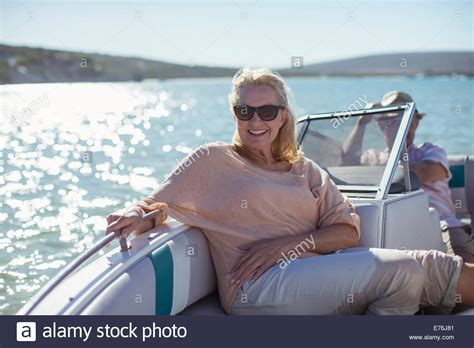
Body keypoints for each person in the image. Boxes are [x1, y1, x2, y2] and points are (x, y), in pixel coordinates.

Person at [105, 68, 474, 315]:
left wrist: (292, 244)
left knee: (431, 265)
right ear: (234, 114)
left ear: (283, 116)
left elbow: (347, 229)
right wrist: (136, 216)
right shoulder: (212, 161)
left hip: (313, 268)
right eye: (245, 110)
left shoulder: (304, 168)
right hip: (255, 286)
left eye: (267, 111)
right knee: (401, 271)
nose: (255, 121)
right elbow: (156, 204)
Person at [343, 91, 474, 263]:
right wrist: (362, 122)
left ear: (416, 122)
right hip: (387, 228)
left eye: (405, 120)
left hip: (441, 225)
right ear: (381, 125)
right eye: (391, 121)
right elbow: (344, 164)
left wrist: (377, 171)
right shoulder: (372, 157)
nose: (401, 127)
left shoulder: (430, 151)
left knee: (461, 265)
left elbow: (425, 172)